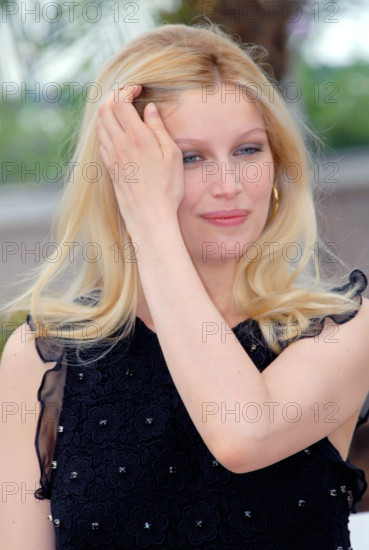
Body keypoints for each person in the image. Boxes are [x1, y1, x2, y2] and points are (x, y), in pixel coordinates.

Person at [1, 21, 368, 550]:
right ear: (124, 174)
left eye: (248, 151)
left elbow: (241, 433)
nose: (229, 185)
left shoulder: (339, 330)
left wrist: (151, 224)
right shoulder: (40, 357)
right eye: (189, 158)